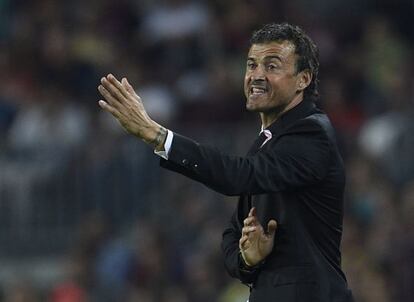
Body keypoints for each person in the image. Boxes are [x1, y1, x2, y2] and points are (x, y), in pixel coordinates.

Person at [97, 23, 354, 302]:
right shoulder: (267, 144)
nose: (256, 76)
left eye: (272, 66)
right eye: (252, 65)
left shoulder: (311, 133)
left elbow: (236, 176)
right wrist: (247, 258)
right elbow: (232, 239)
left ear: (303, 79)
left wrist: (157, 135)